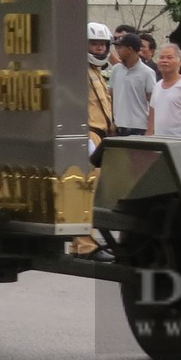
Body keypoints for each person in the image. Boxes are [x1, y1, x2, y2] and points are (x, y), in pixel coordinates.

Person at [73, 22, 116, 261]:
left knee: (93, 190)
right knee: (86, 191)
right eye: (94, 43)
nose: (99, 48)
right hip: (87, 134)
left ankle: (80, 243)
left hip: (100, 135)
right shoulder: (78, 70)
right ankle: (85, 244)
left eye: (102, 44)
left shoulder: (96, 71)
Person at [106, 32, 155, 138]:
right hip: (117, 128)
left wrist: (150, 130)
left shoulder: (147, 72)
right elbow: (110, 97)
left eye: (120, 47)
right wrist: (111, 121)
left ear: (130, 49)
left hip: (139, 128)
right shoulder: (116, 70)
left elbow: (153, 103)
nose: (117, 50)